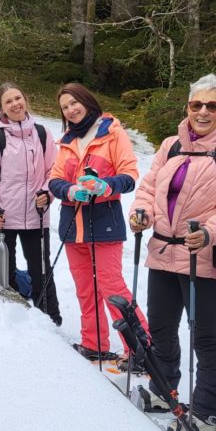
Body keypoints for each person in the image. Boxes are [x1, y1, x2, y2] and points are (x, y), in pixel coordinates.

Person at [129, 74, 216, 431]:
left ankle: (207, 410)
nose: (203, 112)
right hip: (163, 249)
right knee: (161, 327)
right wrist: (141, 212)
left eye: (212, 105)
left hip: (203, 257)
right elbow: (148, 188)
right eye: (196, 104)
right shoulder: (171, 146)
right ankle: (164, 390)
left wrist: (209, 233)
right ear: (187, 107)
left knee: (204, 336)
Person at [47, 83, 146, 362]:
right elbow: (54, 180)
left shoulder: (112, 132)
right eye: (65, 107)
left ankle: (141, 348)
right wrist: (69, 190)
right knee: (85, 289)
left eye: (74, 103)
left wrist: (105, 185)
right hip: (73, 226)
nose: (70, 110)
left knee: (111, 286)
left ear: (87, 101)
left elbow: (129, 175)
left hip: (104, 222)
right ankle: (94, 343)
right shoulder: (67, 141)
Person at [0, 82, 61, 325]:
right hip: (2, 218)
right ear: (2, 108)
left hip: (36, 216)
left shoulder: (43, 134)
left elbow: (54, 172)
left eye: (18, 98)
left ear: (25, 99)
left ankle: (51, 321)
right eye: (8, 101)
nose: (15, 104)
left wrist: (47, 192)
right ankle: (11, 325)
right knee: (6, 274)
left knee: (41, 271)